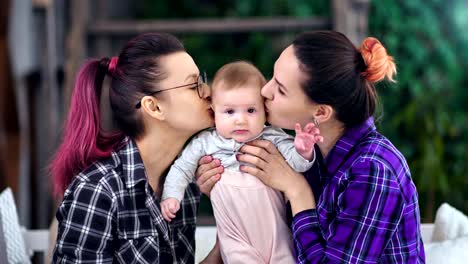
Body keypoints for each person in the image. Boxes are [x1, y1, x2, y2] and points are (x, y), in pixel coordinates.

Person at [197, 31, 426, 263]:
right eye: (272, 77)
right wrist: (228, 194)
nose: (265, 91)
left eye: (281, 89)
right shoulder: (304, 149)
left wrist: (297, 190)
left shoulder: (372, 171)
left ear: (320, 112)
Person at [50, 32, 222, 263]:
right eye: (194, 85)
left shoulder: (186, 184)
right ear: (154, 107)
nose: (209, 92)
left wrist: (229, 222)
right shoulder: (98, 191)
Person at [160, 61, 323, 263]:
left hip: (278, 236)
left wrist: (303, 149)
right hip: (236, 240)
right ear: (213, 111)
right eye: (230, 112)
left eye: (251, 111)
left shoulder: (273, 137)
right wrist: (171, 196)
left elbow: (300, 166)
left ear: (265, 110)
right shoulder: (205, 143)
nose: (241, 120)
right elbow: (182, 169)